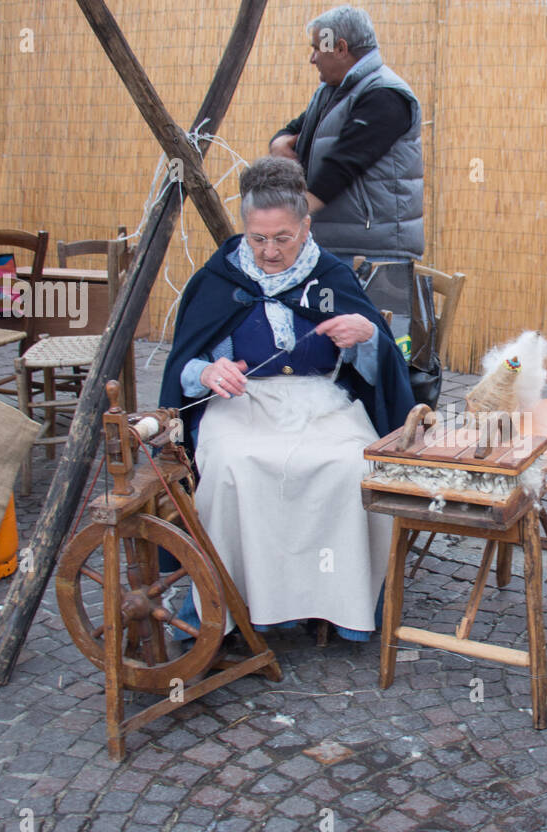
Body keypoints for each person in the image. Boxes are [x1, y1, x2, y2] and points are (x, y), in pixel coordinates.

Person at [158, 157, 414, 642]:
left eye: (283, 238)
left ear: (306, 227)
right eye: (258, 238)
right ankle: (229, 602)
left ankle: (341, 602)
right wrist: (208, 371)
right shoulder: (219, 281)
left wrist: (364, 338)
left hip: (323, 402)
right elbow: (182, 369)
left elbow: (381, 369)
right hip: (242, 405)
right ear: (244, 228)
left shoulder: (332, 277)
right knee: (236, 466)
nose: (270, 252)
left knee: (351, 466)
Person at [269, 5, 423, 261]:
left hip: (375, 255)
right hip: (336, 247)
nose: (313, 58)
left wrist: (287, 220)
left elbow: (343, 165)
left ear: (340, 48)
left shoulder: (384, 96)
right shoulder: (332, 92)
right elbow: (297, 128)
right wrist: (279, 142)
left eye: (317, 48)